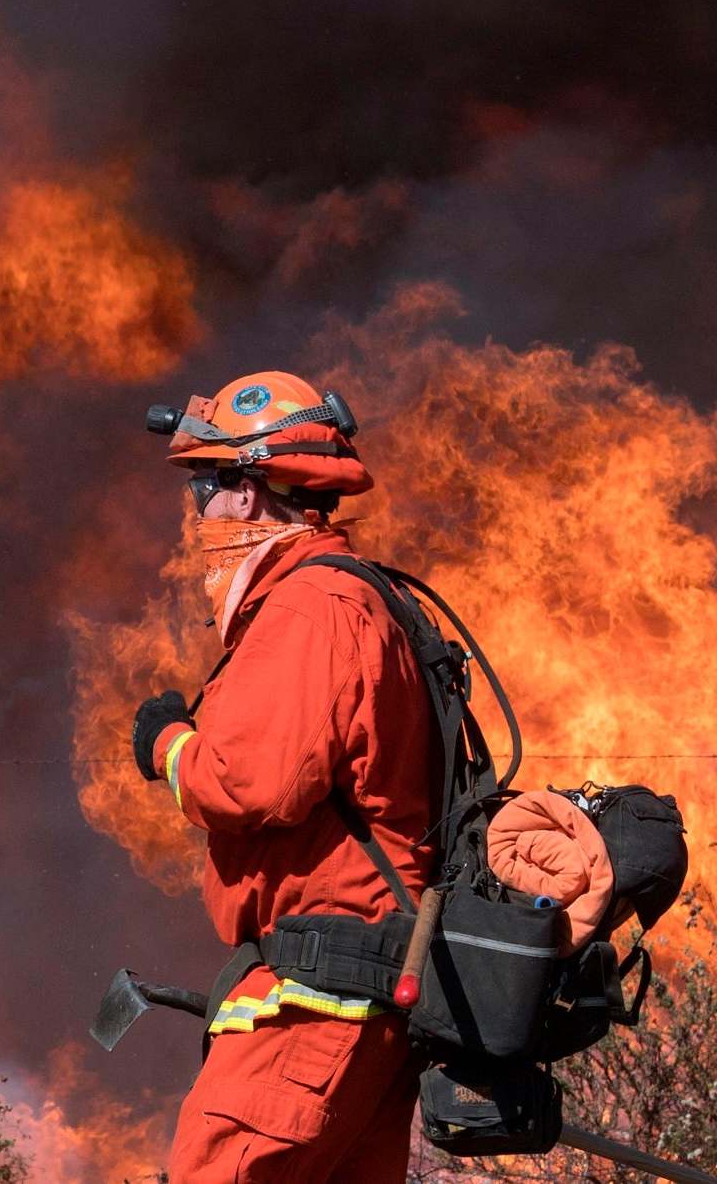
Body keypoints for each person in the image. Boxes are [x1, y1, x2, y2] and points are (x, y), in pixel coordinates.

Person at [129, 372, 435, 1183]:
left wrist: (166, 744)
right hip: (356, 991)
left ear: (257, 490)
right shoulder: (355, 599)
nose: (200, 510)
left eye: (211, 484)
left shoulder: (310, 606)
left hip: (314, 996)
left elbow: (251, 782)